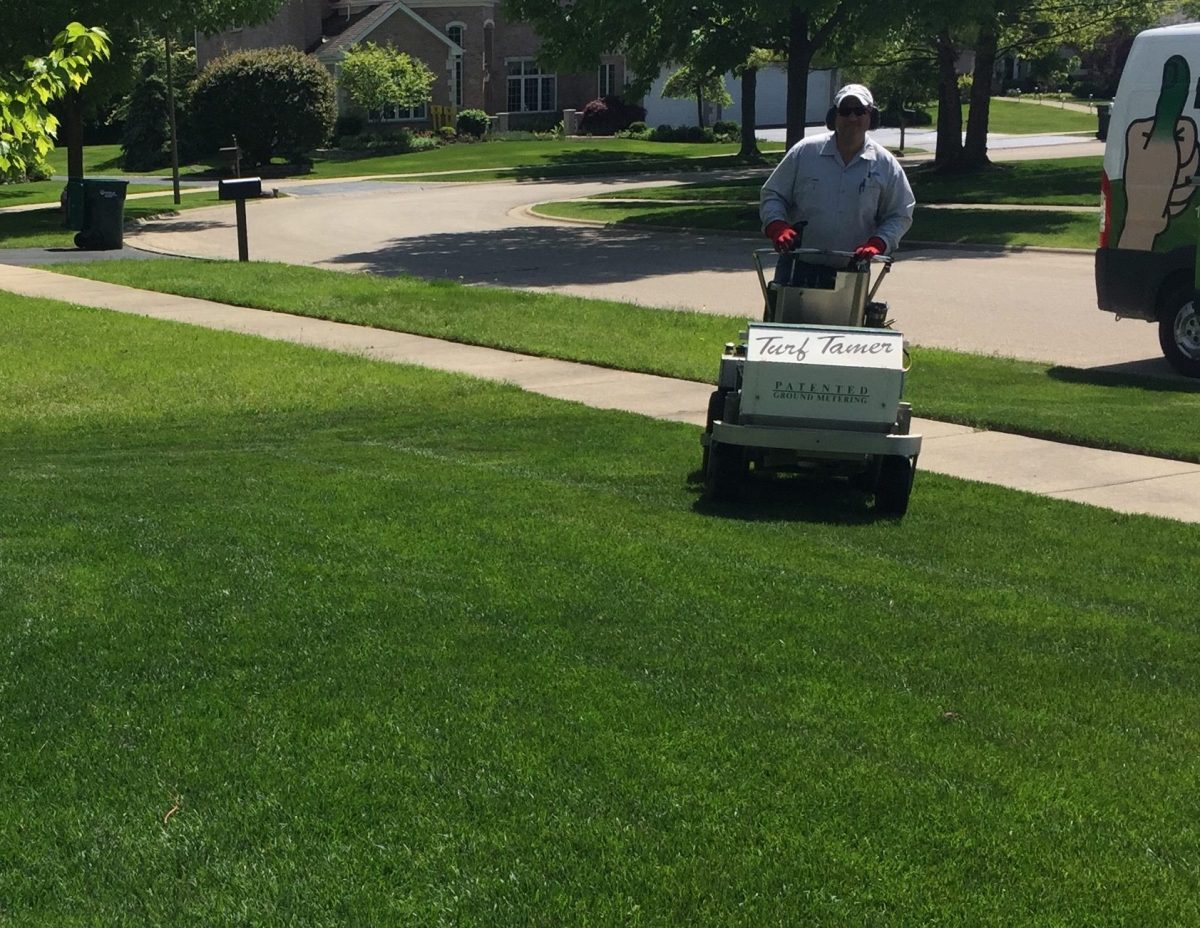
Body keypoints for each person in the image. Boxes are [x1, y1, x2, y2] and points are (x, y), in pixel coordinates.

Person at [760, 83, 915, 279]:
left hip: (852, 272)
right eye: (845, 111)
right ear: (834, 116)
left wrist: (879, 242)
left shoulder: (886, 164)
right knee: (785, 311)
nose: (852, 117)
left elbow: (900, 214)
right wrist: (776, 225)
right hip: (795, 266)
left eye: (859, 111)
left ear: (871, 117)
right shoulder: (804, 152)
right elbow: (773, 194)